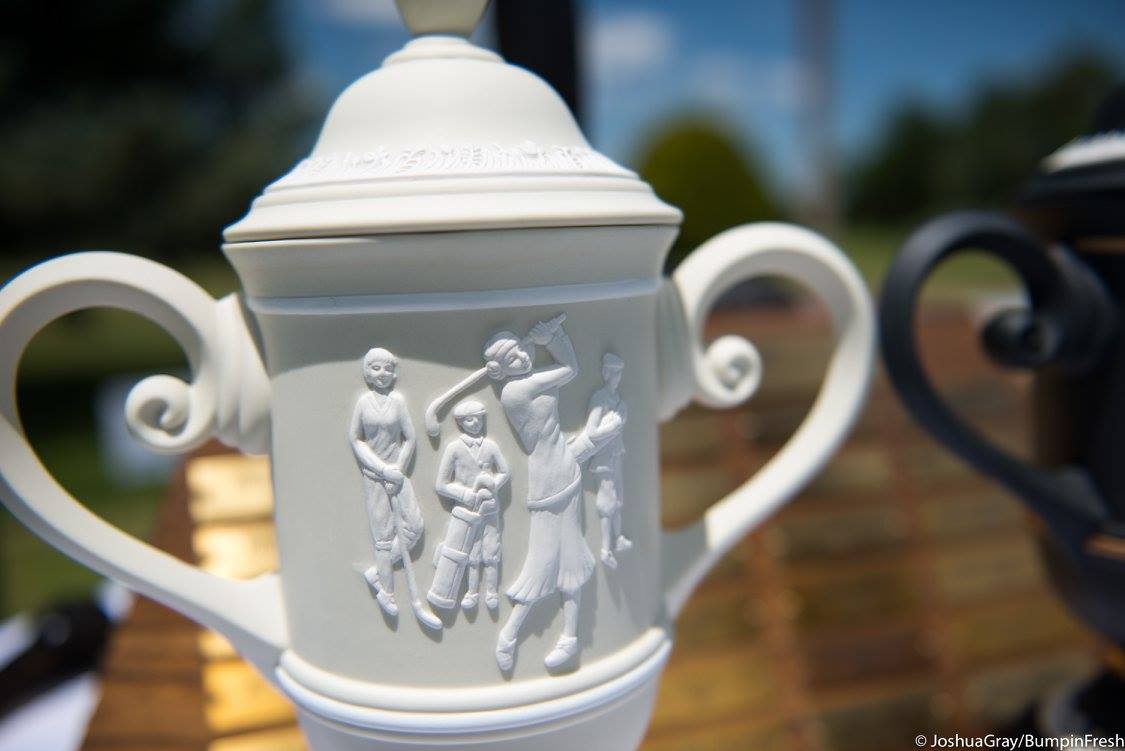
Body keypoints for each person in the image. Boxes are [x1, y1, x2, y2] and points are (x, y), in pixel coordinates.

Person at [484, 318, 620, 671]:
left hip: (565, 468)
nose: (521, 358)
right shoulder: (515, 392)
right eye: (511, 359)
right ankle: (510, 633)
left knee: (572, 556)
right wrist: (554, 337)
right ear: (500, 371)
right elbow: (570, 369)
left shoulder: (528, 380)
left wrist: (551, 338)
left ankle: (570, 637)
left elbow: (567, 374)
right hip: (548, 477)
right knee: (543, 560)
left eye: (520, 351)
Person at [348, 347, 438, 628]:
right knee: (383, 539)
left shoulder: (398, 402)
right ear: (367, 372)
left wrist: (397, 468)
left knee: (414, 527)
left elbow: (409, 438)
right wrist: (381, 469)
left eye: (387, 368)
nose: (382, 373)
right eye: (375, 368)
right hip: (374, 477)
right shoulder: (363, 403)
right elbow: (356, 439)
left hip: (398, 476)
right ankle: (386, 592)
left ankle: (377, 572)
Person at [433, 399, 510, 611]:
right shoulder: (454, 448)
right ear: (460, 422)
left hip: (489, 507)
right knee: (472, 553)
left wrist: (492, 484)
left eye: (478, 418)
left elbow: (504, 471)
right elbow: (441, 484)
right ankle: (472, 592)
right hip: (466, 512)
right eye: (469, 419)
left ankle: (492, 591)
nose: (475, 423)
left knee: (491, 550)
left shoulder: (490, 446)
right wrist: (465, 494)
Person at [585, 353, 632, 569]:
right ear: (605, 373)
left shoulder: (617, 399)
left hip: (616, 454)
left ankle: (618, 538)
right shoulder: (600, 398)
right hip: (604, 458)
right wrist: (613, 426)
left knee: (618, 497)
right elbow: (592, 432)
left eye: (620, 373)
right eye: (615, 373)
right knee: (607, 500)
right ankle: (605, 550)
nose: (618, 377)